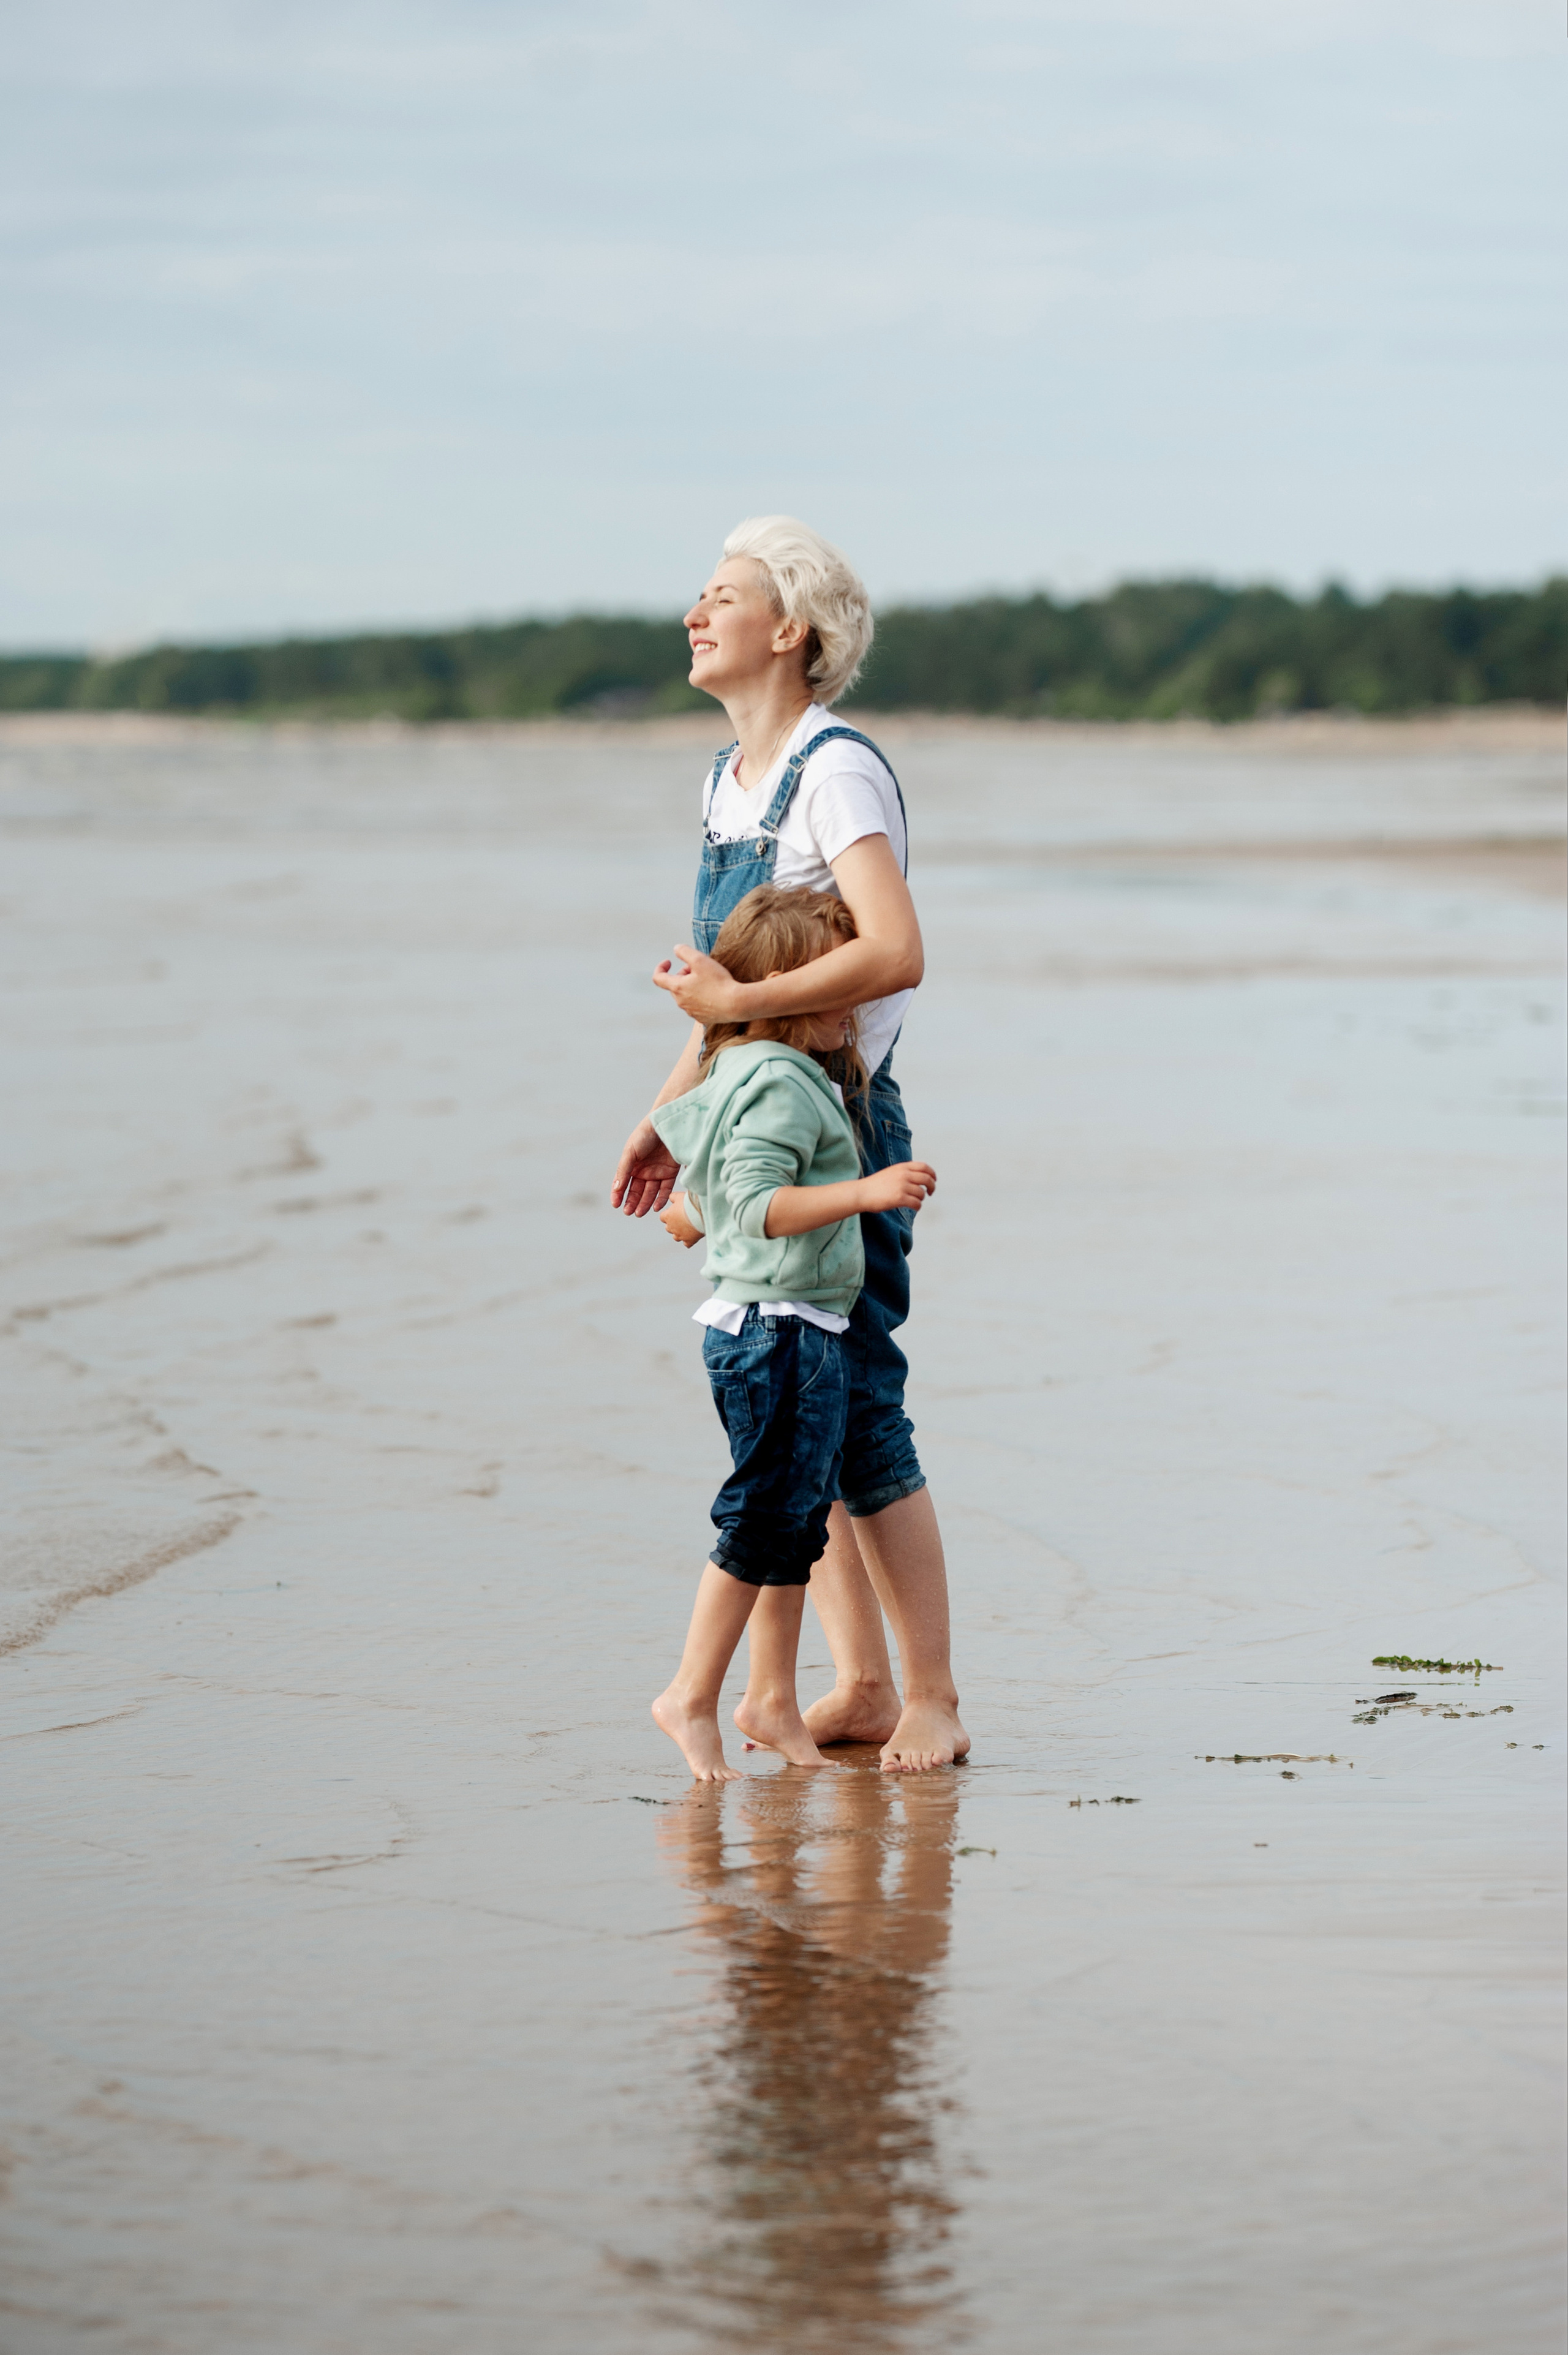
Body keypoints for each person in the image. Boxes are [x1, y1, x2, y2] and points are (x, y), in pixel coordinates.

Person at [613, 514, 969, 1775]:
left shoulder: (833, 771)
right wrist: (671, 1120)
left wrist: (724, 1022)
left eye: (723, 595)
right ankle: (858, 1682)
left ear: (792, 634)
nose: (694, 614)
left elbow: (892, 949)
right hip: (747, 1119)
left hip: (839, 1124)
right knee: (794, 1411)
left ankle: (928, 1694)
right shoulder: (722, 782)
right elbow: (719, 982)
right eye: (697, 595)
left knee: (859, 1408)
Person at [648, 884, 937, 1784]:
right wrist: (864, 1192)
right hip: (782, 1336)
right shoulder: (783, 1080)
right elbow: (757, 1199)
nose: (856, 1001)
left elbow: (705, 1175)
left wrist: (698, 1210)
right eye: (835, 984)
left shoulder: (736, 1068)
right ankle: (691, 1696)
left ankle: (769, 1697)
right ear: (784, 992)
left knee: (792, 1521)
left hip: (763, 1328)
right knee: (758, 1519)